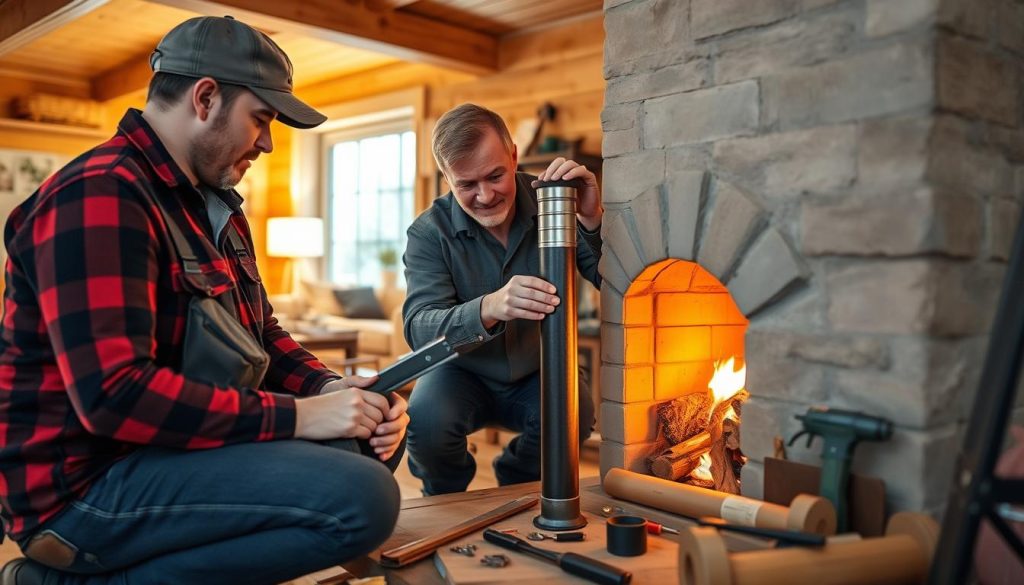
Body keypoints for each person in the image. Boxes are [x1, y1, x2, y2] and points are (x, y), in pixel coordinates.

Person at [0, 16, 409, 585]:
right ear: (206, 97)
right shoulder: (100, 194)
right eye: (261, 119)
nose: (267, 142)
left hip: (165, 453)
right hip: (84, 487)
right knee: (361, 497)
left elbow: (261, 334)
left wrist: (330, 391)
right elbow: (113, 395)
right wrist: (299, 416)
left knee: (362, 444)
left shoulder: (215, 206)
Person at [402, 103, 602, 495]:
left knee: (576, 415)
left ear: (513, 155)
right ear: (447, 178)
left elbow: (615, 283)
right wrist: (489, 307)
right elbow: (418, 328)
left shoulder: (555, 203)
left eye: (495, 175)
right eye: (466, 185)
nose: (486, 195)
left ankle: (516, 484)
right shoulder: (428, 233)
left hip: (538, 366)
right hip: (459, 371)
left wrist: (593, 221)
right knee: (425, 423)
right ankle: (446, 501)